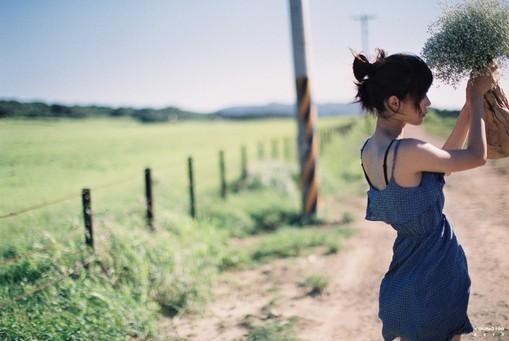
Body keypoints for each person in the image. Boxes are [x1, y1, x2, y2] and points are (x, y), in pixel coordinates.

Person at [354, 48, 496, 341]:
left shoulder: (371, 150)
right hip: (435, 270)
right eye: (422, 95)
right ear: (395, 102)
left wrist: (467, 114)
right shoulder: (408, 151)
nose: (428, 102)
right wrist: (479, 102)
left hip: (405, 272)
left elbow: (441, 165)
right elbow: (475, 156)